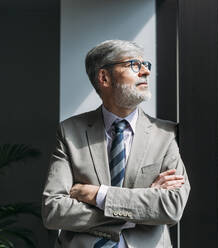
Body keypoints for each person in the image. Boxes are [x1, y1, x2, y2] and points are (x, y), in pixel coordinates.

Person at [42, 40, 190, 248]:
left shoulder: (166, 134)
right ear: (104, 77)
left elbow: (171, 208)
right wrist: (138, 209)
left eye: (145, 64)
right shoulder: (70, 132)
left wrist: (98, 195)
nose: (146, 72)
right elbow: (53, 211)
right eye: (134, 65)